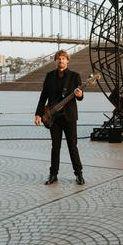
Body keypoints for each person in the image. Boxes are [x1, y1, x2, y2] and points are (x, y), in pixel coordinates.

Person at [35, 50, 85, 185]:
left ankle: (79, 174)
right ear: (55, 61)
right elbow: (43, 96)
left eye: (63, 58)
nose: (61, 60)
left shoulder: (74, 76)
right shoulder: (50, 76)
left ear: (67, 60)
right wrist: (38, 114)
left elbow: (80, 97)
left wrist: (80, 95)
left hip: (69, 117)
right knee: (55, 146)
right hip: (54, 117)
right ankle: (53, 174)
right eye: (58, 58)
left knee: (72, 146)